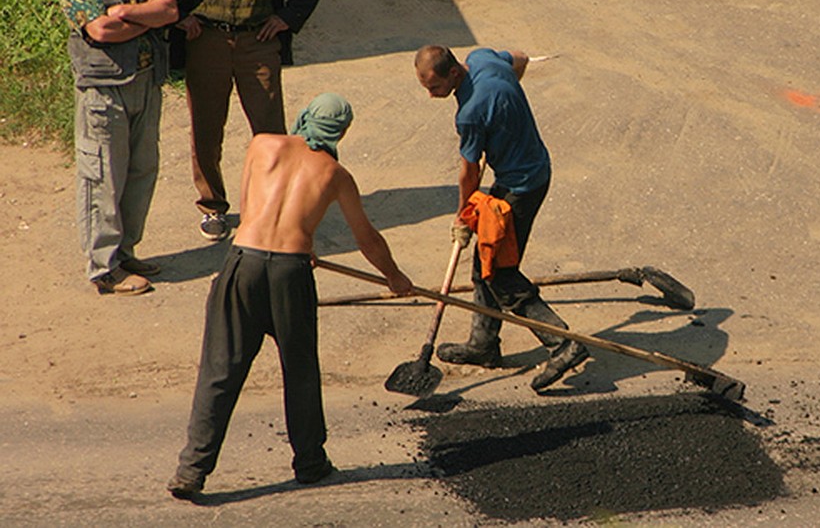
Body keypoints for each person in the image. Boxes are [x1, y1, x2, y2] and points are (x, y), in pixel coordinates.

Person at [167, 94, 412, 498]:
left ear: (303, 118)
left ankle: (191, 470)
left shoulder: (262, 143)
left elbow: (250, 210)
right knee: (299, 370)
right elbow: (366, 237)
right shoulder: (335, 174)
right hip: (290, 274)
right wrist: (394, 277)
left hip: (243, 264)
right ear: (340, 133)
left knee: (220, 370)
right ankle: (311, 464)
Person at [147, 0, 321, 242]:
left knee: (270, 133)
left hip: (258, 41)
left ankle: (273, 207)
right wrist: (178, 15)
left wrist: (288, 17)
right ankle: (212, 207)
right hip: (206, 40)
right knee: (207, 132)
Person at [414, 45, 589, 393]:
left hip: (520, 188)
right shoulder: (482, 58)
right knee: (484, 266)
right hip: (535, 168)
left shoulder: (470, 112)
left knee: (500, 272)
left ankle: (563, 343)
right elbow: (519, 59)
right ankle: (484, 345)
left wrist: (464, 217)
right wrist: (507, 108)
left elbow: (468, 171)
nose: (432, 96)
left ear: (452, 73)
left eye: (434, 88)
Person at [59, 0, 179, 296]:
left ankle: (125, 253)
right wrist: (146, 14)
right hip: (104, 92)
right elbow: (99, 31)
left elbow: (171, 10)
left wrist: (126, 13)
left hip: (145, 83)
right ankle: (103, 268)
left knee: (141, 171)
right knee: (102, 178)